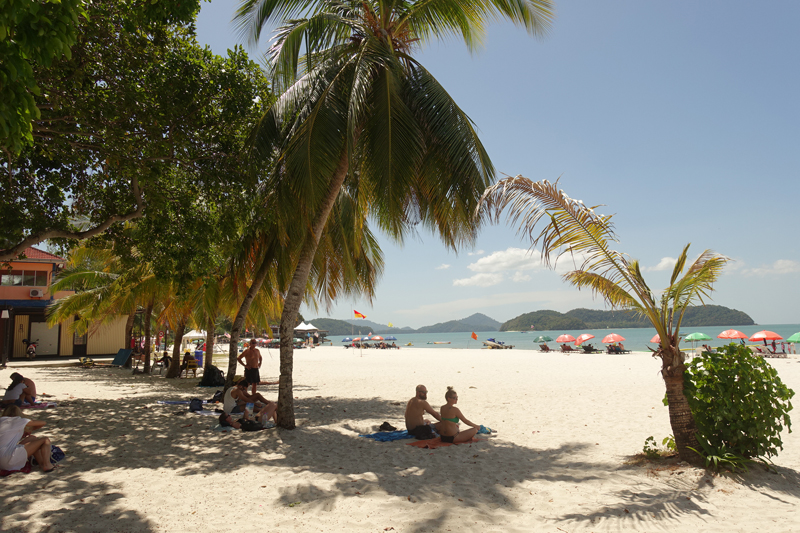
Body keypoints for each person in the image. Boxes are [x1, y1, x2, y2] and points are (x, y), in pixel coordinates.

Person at [0, 405, 55, 473]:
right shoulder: (18, 420)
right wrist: (29, 428)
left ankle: (41, 463)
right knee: (45, 440)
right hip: (8, 459)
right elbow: (42, 423)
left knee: (32, 438)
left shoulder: (1, 420)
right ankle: (47, 464)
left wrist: (24, 431)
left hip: (1, 462)